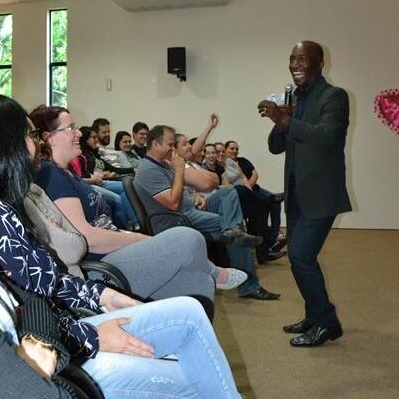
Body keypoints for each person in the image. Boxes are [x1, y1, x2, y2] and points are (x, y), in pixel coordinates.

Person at [0, 92, 332, 399]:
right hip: (70, 336)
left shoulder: (10, 201)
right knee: (193, 331)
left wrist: (100, 297)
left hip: (76, 313)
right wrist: (90, 330)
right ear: (2, 145)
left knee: (193, 299)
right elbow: (36, 303)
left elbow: (41, 289)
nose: (34, 142)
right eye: (29, 134)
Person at [29, 105, 247, 319]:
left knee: (200, 283)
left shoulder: (66, 174)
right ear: (49, 137)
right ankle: (216, 271)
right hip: (102, 266)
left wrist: (131, 238)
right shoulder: (51, 175)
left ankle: (188, 338)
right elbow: (87, 238)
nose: (78, 133)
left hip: (114, 253)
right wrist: (138, 239)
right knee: (190, 238)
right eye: (70, 128)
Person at [258, 40, 351, 348]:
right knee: (300, 259)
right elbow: (275, 146)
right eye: (292, 59)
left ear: (320, 63)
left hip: (322, 195)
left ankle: (327, 322)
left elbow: (326, 137)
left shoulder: (334, 97)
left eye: (302, 59)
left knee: (300, 255)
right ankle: (313, 315)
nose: (296, 64)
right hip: (296, 194)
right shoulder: (295, 97)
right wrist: (280, 120)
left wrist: (288, 120)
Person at [135, 125, 281, 301]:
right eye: (170, 145)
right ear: (155, 144)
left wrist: (194, 195)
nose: (173, 149)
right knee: (237, 233)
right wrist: (180, 169)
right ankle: (249, 285)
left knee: (227, 193)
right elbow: (173, 203)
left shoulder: (163, 164)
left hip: (190, 208)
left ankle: (232, 230)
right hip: (177, 218)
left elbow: (200, 185)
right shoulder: (148, 170)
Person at [224, 140, 286, 260]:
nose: (235, 151)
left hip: (254, 189)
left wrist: (249, 189)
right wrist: (247, 191)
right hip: (245, 195)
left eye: (236, 149)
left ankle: (273, 236)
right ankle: (270, 241)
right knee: (266, 204)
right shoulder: (224, 165)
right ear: (226, 150)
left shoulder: (242, 161)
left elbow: (254, 174)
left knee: (275, 204)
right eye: (232, 148)